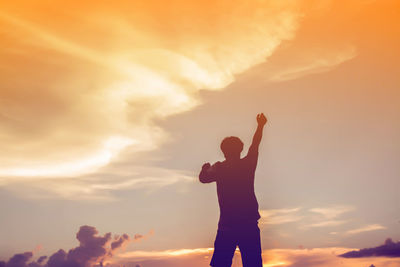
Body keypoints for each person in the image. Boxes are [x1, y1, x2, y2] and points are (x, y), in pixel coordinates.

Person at [199, 113, 267, 267]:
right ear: (240, 150)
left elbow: (203, 179)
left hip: (228, 226)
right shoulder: (247, 164)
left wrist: (204, 169)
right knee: (253, 264)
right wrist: (260, 126)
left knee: (221, 264)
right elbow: (255, 144)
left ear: (224, 151)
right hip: (247, 225)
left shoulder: (219, 168)